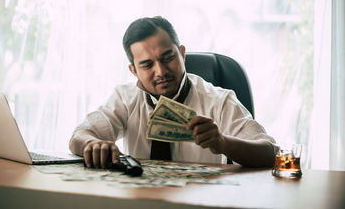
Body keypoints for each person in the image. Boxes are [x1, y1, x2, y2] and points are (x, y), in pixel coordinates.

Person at [69, 16, 278, 169]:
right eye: (147, 64)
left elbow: (271, 153)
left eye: (168, 57)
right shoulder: (125, 98)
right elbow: (78, 136)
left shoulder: (220, 101)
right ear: (134, 71)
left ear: (182, 54)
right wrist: (92, 144)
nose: (161, 71)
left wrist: (222, 142)